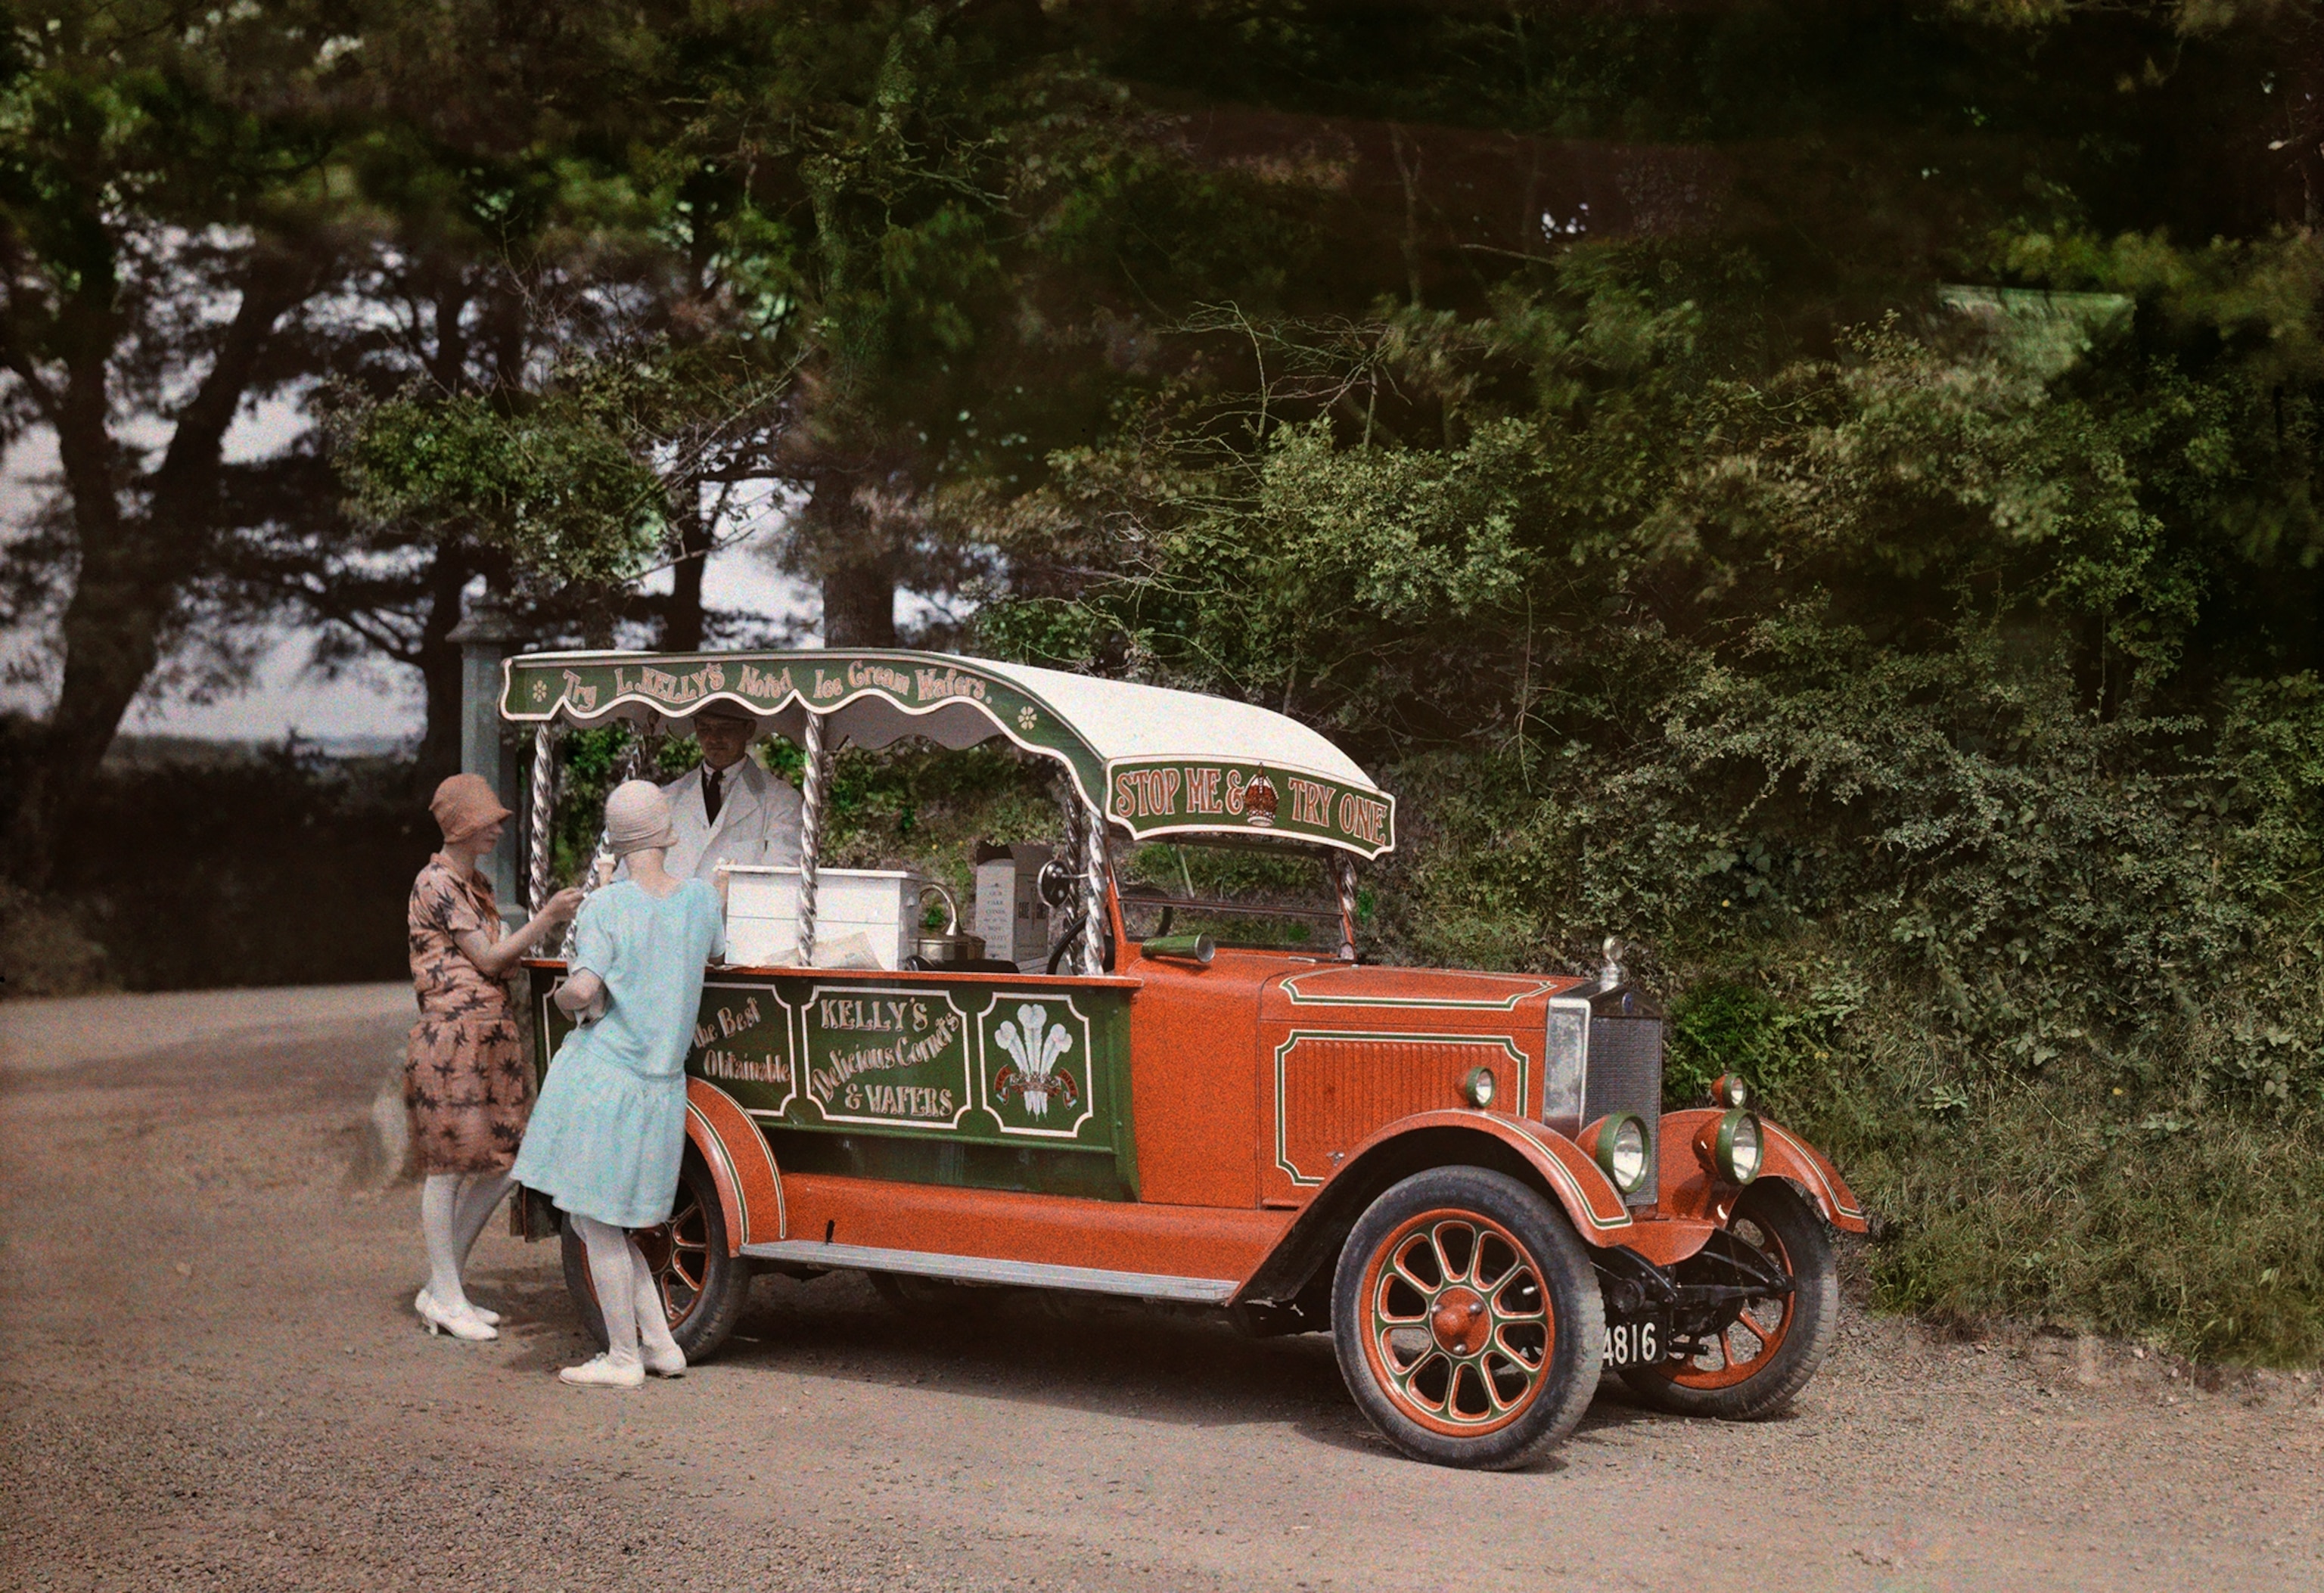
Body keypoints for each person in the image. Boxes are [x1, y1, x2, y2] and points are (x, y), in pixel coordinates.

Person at [511, 781, 725, 1389]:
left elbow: (583, 989)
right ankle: (660, 1344)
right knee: (605, 1221)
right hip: (662, 1085)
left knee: (594, 1222)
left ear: (618, 841)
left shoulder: (606, 907)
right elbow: (713, 954)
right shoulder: (702, 901)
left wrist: (563, 996)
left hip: (608, 1078)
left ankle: (624, 1358)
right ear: (667, 833)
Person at [406, 773, 584, 1342]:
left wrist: (510, 946)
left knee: (505, 1163)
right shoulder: (436, 883)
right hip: (453, 1037)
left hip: (488, 1036)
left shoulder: (473, 884)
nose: (495, 830)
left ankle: (444, 1287)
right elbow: (491, 957)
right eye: (486, 821)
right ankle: (446, 1293)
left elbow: (501, 960)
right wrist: (548, 917)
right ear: (461, 825)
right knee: (449, 1166)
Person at [658, 700, 802, 880]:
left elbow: (781, 879)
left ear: (749, 729)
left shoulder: (781, 801)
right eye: (704, 728)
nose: (713, 738)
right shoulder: (667, 797)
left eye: (725, 728)